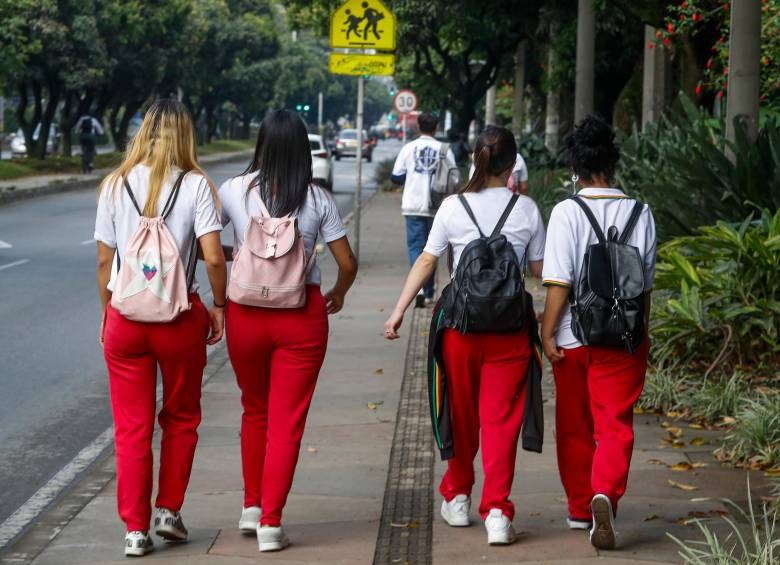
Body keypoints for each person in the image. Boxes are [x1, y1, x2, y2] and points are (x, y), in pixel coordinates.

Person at [384, 125, 546, 546]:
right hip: (511, 331)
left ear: (476, 159)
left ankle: (457, 496)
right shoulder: (526, 209)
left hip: (459, 328)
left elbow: (426, 261)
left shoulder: (453, 207)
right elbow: (540, 273)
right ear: (512, 165)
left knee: (459, 412)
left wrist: (400, 310)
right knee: (502, 419)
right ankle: (497, 511)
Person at [218, 109, 358, 552]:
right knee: (287, 421)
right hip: (302, 317)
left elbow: (205, 246)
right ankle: (272, 524)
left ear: (260, 144)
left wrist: (238, 255)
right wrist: (338, 292)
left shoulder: (234, 190)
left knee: (254, 410)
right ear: (304, 150)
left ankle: (251, 506)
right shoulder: (317, 199)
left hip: (245, 316)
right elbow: (348, 263)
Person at [95, 99, 227, 557]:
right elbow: (212, 255)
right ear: (187, 136)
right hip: (179, 319)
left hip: (125, 322)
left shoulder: (113, 185)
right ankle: (168, 511)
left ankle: (134, 530)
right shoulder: (196, 186)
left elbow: (104, 260)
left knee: (131, 429)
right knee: (181, 417)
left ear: (142, 132)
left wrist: (107, 313)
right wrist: (219, 305)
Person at [541, 114, 656, 550]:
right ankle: (605, 492)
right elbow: (643, 286)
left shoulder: (566, 212)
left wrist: (547, 333)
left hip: (574, 337)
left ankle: (578, 508)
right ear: (613, 163)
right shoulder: (641, 213)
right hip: (623, 339)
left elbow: (558, 283)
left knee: (573, 424)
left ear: (576, 168)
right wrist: (639, 334)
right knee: (615, 425)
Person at [390, 112, 456, 307]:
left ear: (419, 127)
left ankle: (417, 288)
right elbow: (453, 177)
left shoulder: (409, 148)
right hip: (438, 207)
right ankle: (428, 293)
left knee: (415, 248)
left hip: (413, 204)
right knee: (432, 250)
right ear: (436, 128)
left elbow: (395, 176)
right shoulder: (445, 149)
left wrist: (412, 176)